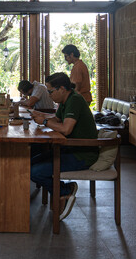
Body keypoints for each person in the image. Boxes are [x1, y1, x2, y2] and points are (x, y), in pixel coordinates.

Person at [30, 72, 98, 221]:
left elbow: (66, 129)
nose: (49, 95)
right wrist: (41, 117)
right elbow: (57, 119)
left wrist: (45, 122)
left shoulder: (75, 100)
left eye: (50, 92)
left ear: (61, 89)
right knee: (29, 162)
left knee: (34, 171)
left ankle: (64, 192)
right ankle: (64, 190)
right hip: (69, 149)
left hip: (83, 154)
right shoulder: (66, 100)